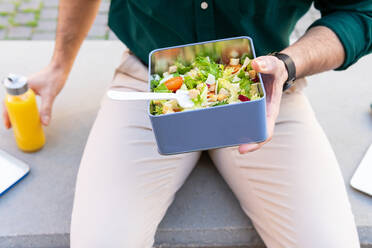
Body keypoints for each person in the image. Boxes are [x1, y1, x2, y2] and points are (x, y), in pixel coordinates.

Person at [3, 0, 372, 247]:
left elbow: (361, 10)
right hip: (148, 83)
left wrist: (290, 63)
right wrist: (59, 64)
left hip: (266, 84)